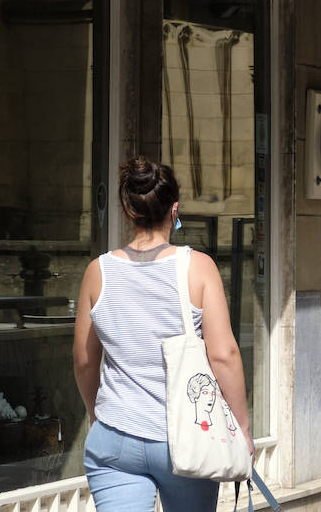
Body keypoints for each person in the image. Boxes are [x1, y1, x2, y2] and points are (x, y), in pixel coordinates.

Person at [73, 157, 254, 511]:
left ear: (128, 210)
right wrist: (242, 428)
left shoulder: (98, 272)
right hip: (185, 437)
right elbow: (224, 356)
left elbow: (83, 360)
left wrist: (97, 415)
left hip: (115, 437)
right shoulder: (198, 267)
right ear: (175, 210)